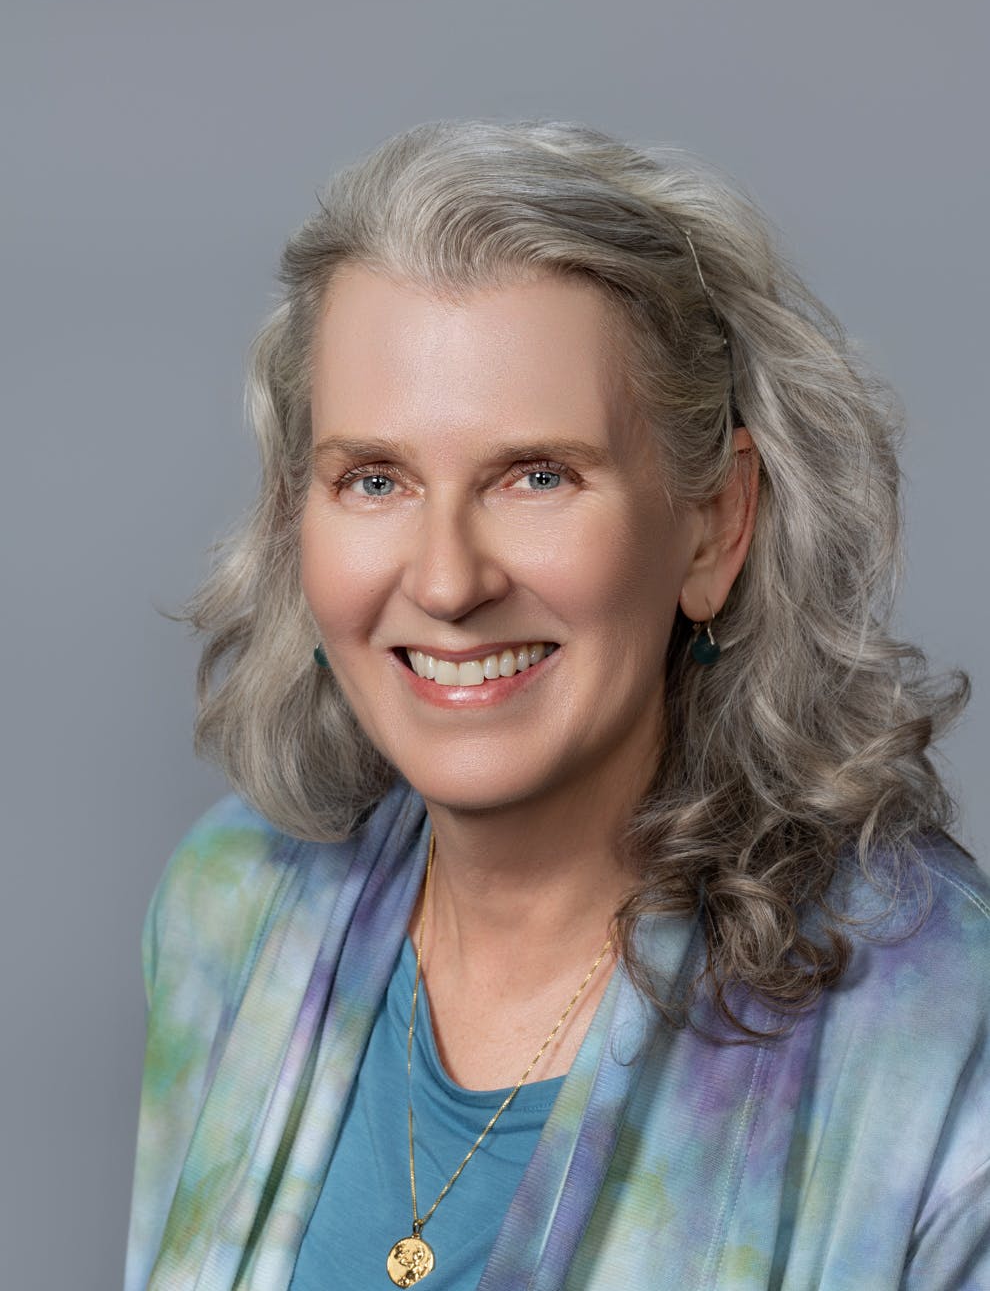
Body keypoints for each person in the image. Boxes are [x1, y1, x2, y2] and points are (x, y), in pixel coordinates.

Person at [125, 121, 989, 1290]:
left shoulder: (945, 1030)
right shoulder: (232, 914)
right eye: (373, 479)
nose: (445, 580)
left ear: (715, 524)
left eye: (538, 475)